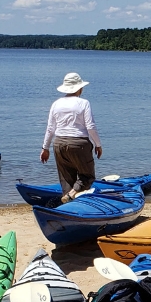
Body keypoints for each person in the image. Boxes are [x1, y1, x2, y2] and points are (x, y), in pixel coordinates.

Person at [40, 72, 102, 204]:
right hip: (79, 143)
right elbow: (90, 126)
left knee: (67, 180)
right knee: (88, 176)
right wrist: (98, 144)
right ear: (79, 88)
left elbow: (50, 128)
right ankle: (73, 194)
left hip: (59, 144)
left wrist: (45, 148)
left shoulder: (56, 104)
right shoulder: (84, 103)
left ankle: (68, 205)